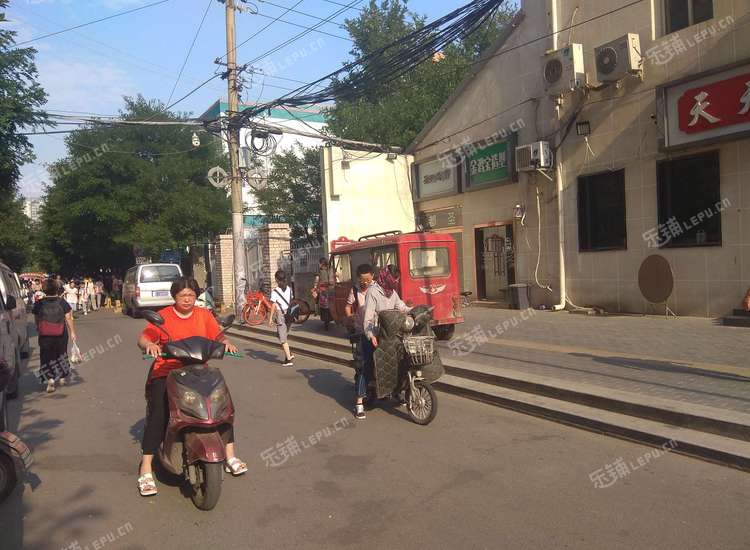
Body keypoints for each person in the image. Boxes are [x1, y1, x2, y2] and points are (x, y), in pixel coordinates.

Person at [136, 276, 246, 497]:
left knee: (221, 404)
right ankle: (146, 467)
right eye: (182, 296)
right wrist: (150, 345)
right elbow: (144, 337)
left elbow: (218, 336)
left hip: (198, 370)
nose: (187, 300)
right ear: (174, 296)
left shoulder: (203, 314)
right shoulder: (163, 316)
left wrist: (226, 344)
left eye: (191, 296)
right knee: (160, 411)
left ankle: (230, 454)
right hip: (167, 370)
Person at [360, 265, 411, 419]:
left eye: (397, 280)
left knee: (399, 360)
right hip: (374, 335)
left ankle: (395, 391)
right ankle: (359, 402)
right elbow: (368, 318)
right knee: (368, 367)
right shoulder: (373, 292)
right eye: (393, 279)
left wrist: (413, 310)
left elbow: (400, 306)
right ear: (386, 278)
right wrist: (371, 335)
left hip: (390, 335)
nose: (396, 282)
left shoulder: (392, 292)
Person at [33, 279, 77, 393]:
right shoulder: (62, 302)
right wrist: (72, 332)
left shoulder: (39, 303)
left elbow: (36, 318)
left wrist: (39, 327)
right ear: (57, 289)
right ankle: (62, 377)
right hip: (61, 333)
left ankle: (50, 380)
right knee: (61, 353)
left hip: (45, 334)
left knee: (46, 355)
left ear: (44, 289)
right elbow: (68, 318)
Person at [345, 264, 375, 419]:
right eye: (363, 280)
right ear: (358, 279)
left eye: (368, 279)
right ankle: (359, 404)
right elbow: (348, 307)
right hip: (361, 332)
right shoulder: (355, 290)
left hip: (376, 333)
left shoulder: (377, 289)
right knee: (363, 366)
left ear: (373, 277)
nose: (366, 283)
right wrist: (350, 317)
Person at [268, 270, 295, 367]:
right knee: (281, 335)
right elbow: (291, 300)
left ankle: (289, 359)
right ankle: (288, 353)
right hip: (289, 314)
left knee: (282, 339)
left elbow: (274, 306)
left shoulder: (275, 291)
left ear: (276, 280)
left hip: (281, 315)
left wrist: (270, 318)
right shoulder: (289, 289)